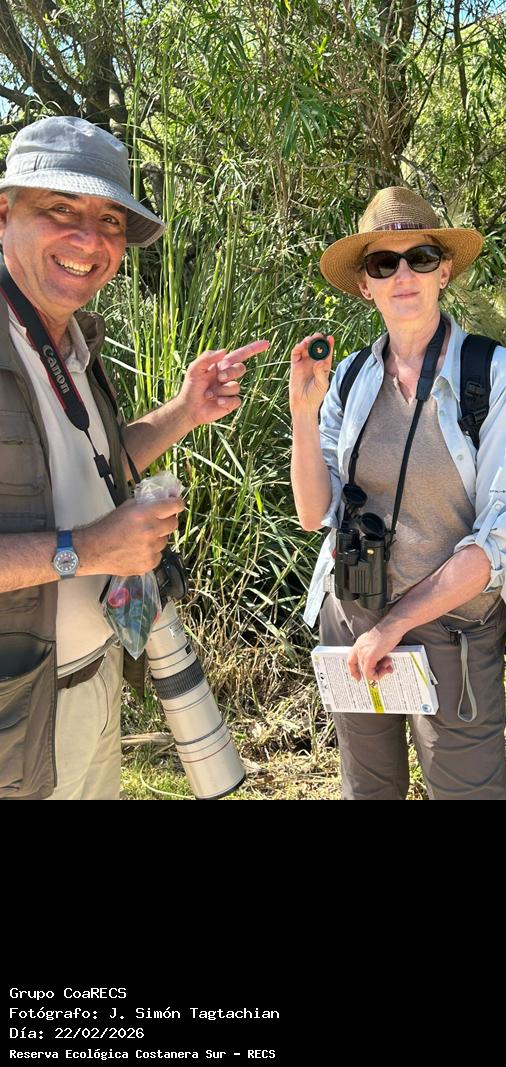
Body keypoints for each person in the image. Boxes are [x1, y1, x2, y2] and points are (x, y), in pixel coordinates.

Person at [0, 116, 268, 801]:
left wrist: (185, 410)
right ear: (4, 214)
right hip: (17, 720)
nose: (90, 241)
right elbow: (85, 537)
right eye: (62, 209)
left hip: (95, 682)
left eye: (110, 220)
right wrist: (87, 550)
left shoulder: (71, 342)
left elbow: (95, 466)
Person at [289, 185, 506, 801]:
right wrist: (303, 413)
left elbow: (502, 542)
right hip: (355, 615)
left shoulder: (494, 374)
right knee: (368, 790)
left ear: (445, 270)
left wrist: (398, 624)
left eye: (421, 257)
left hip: (454, 628)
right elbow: (312, 512)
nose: (403, 274)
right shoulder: (350, 377)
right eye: (384, 262)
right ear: (365, 284)